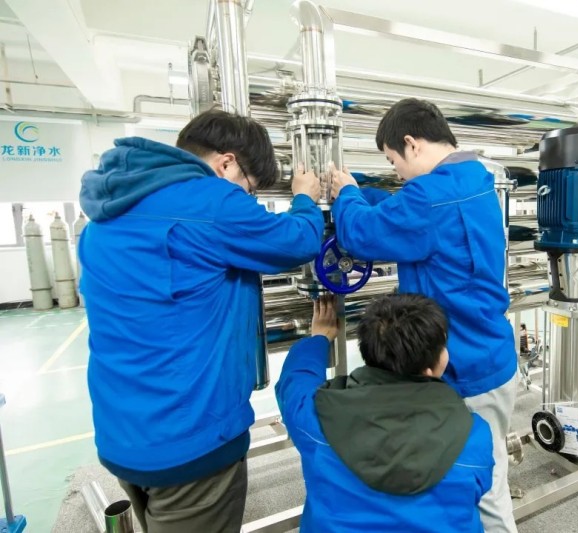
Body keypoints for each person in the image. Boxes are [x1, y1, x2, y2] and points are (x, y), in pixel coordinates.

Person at [78, 109, 323, 533]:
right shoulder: (207, 201)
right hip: (191, 438)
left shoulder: (108, 211)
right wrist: (305, 198)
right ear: (226, 163)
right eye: (249, 189)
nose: (247, 202)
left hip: (122, 432)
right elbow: (298, 241)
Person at [331, 98, 519, 532]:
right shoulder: (474, 177)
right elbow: (404, 213)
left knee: (481, 486)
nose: (396, 172)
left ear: (412, 144)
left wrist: (345, 196)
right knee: (488, 472)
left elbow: (362, 232)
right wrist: (362, 193)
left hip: (462, 367)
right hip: (491, 352)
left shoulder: (430, 198)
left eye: (393, 160)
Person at [276, 294, 493, 532]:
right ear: (433, 366)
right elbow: (479, 488)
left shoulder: (315, 418)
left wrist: (319, 338)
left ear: (368, 351)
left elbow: (294, 382)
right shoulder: (473, 434)